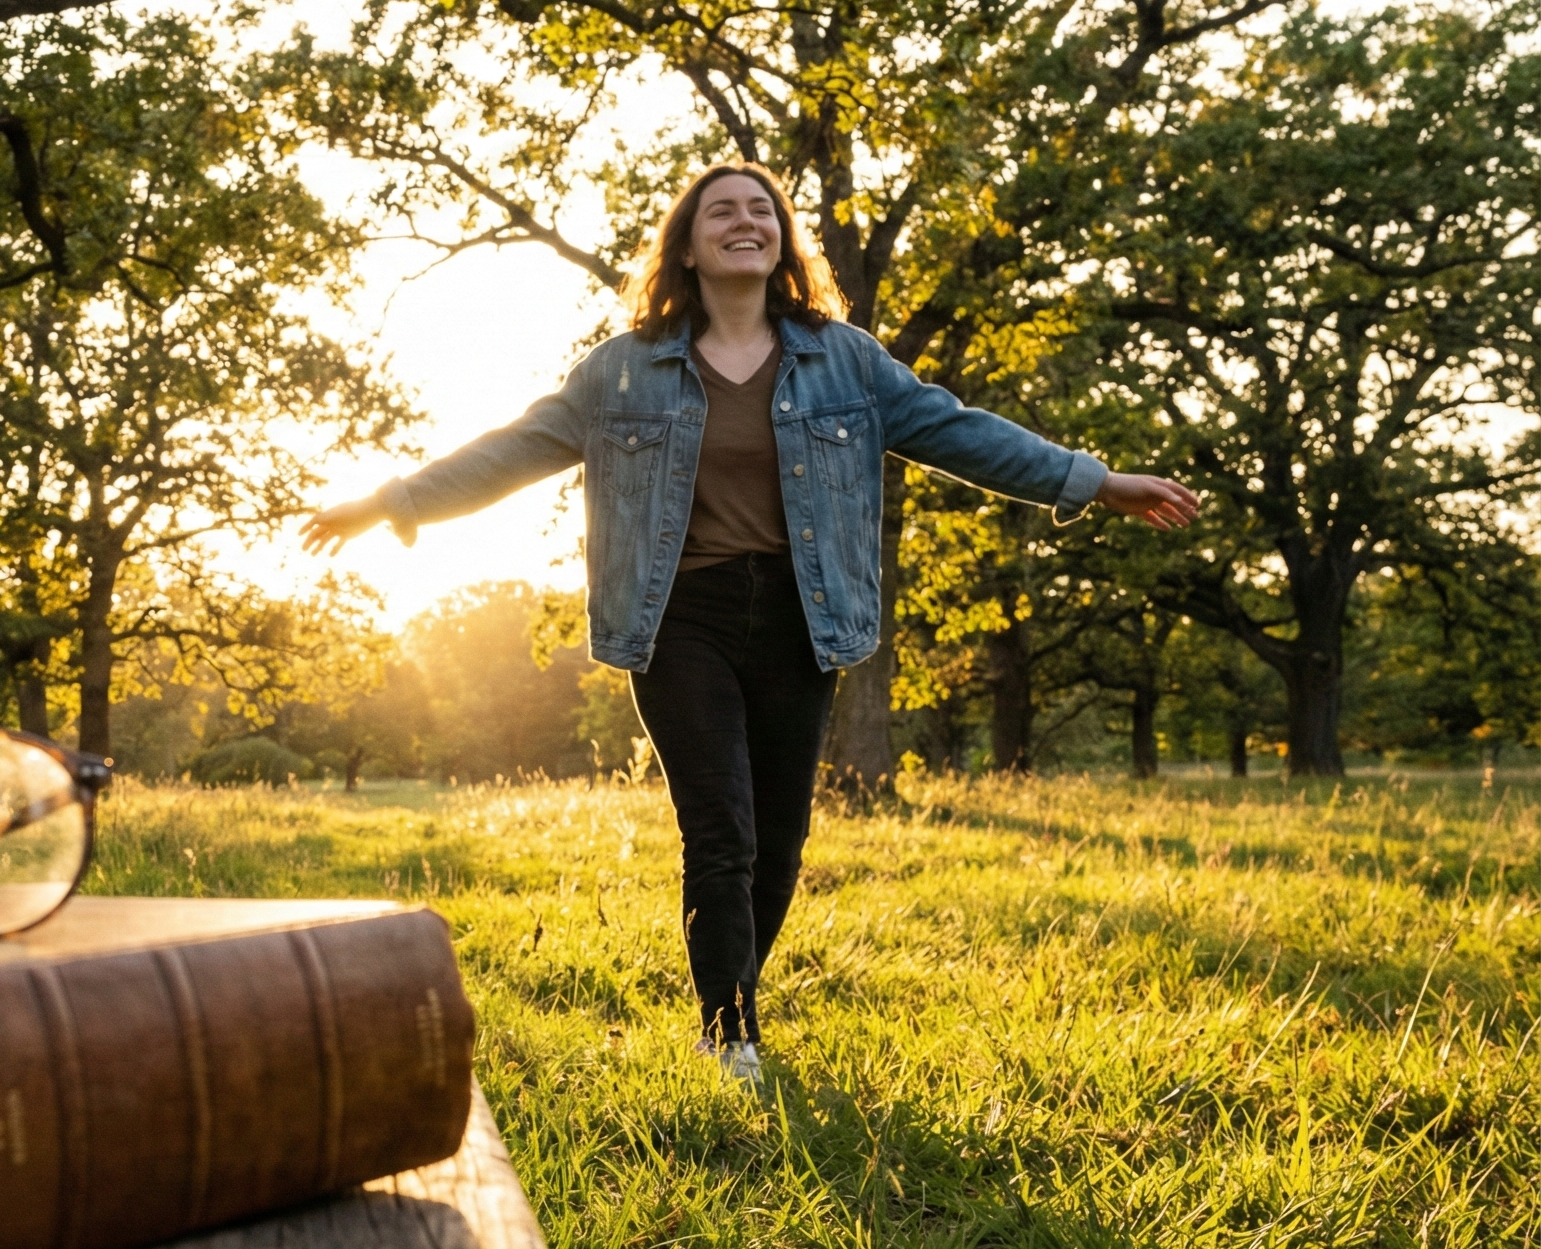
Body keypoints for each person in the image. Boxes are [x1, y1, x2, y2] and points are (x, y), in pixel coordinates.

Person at [300, 162, 1199, 1083]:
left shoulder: (844, 359)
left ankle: (729, 995)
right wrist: (390, 500)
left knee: (779, 838)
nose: (744, 221)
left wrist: (1093, 482)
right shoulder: (620, 371)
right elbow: (512, 450)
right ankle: (731, 1032)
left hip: (803, 619)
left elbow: (960, 429)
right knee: (721, 829)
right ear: (686, 247)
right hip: (679, 618)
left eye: (761, 210)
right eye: (720, 211)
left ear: (781, 241)